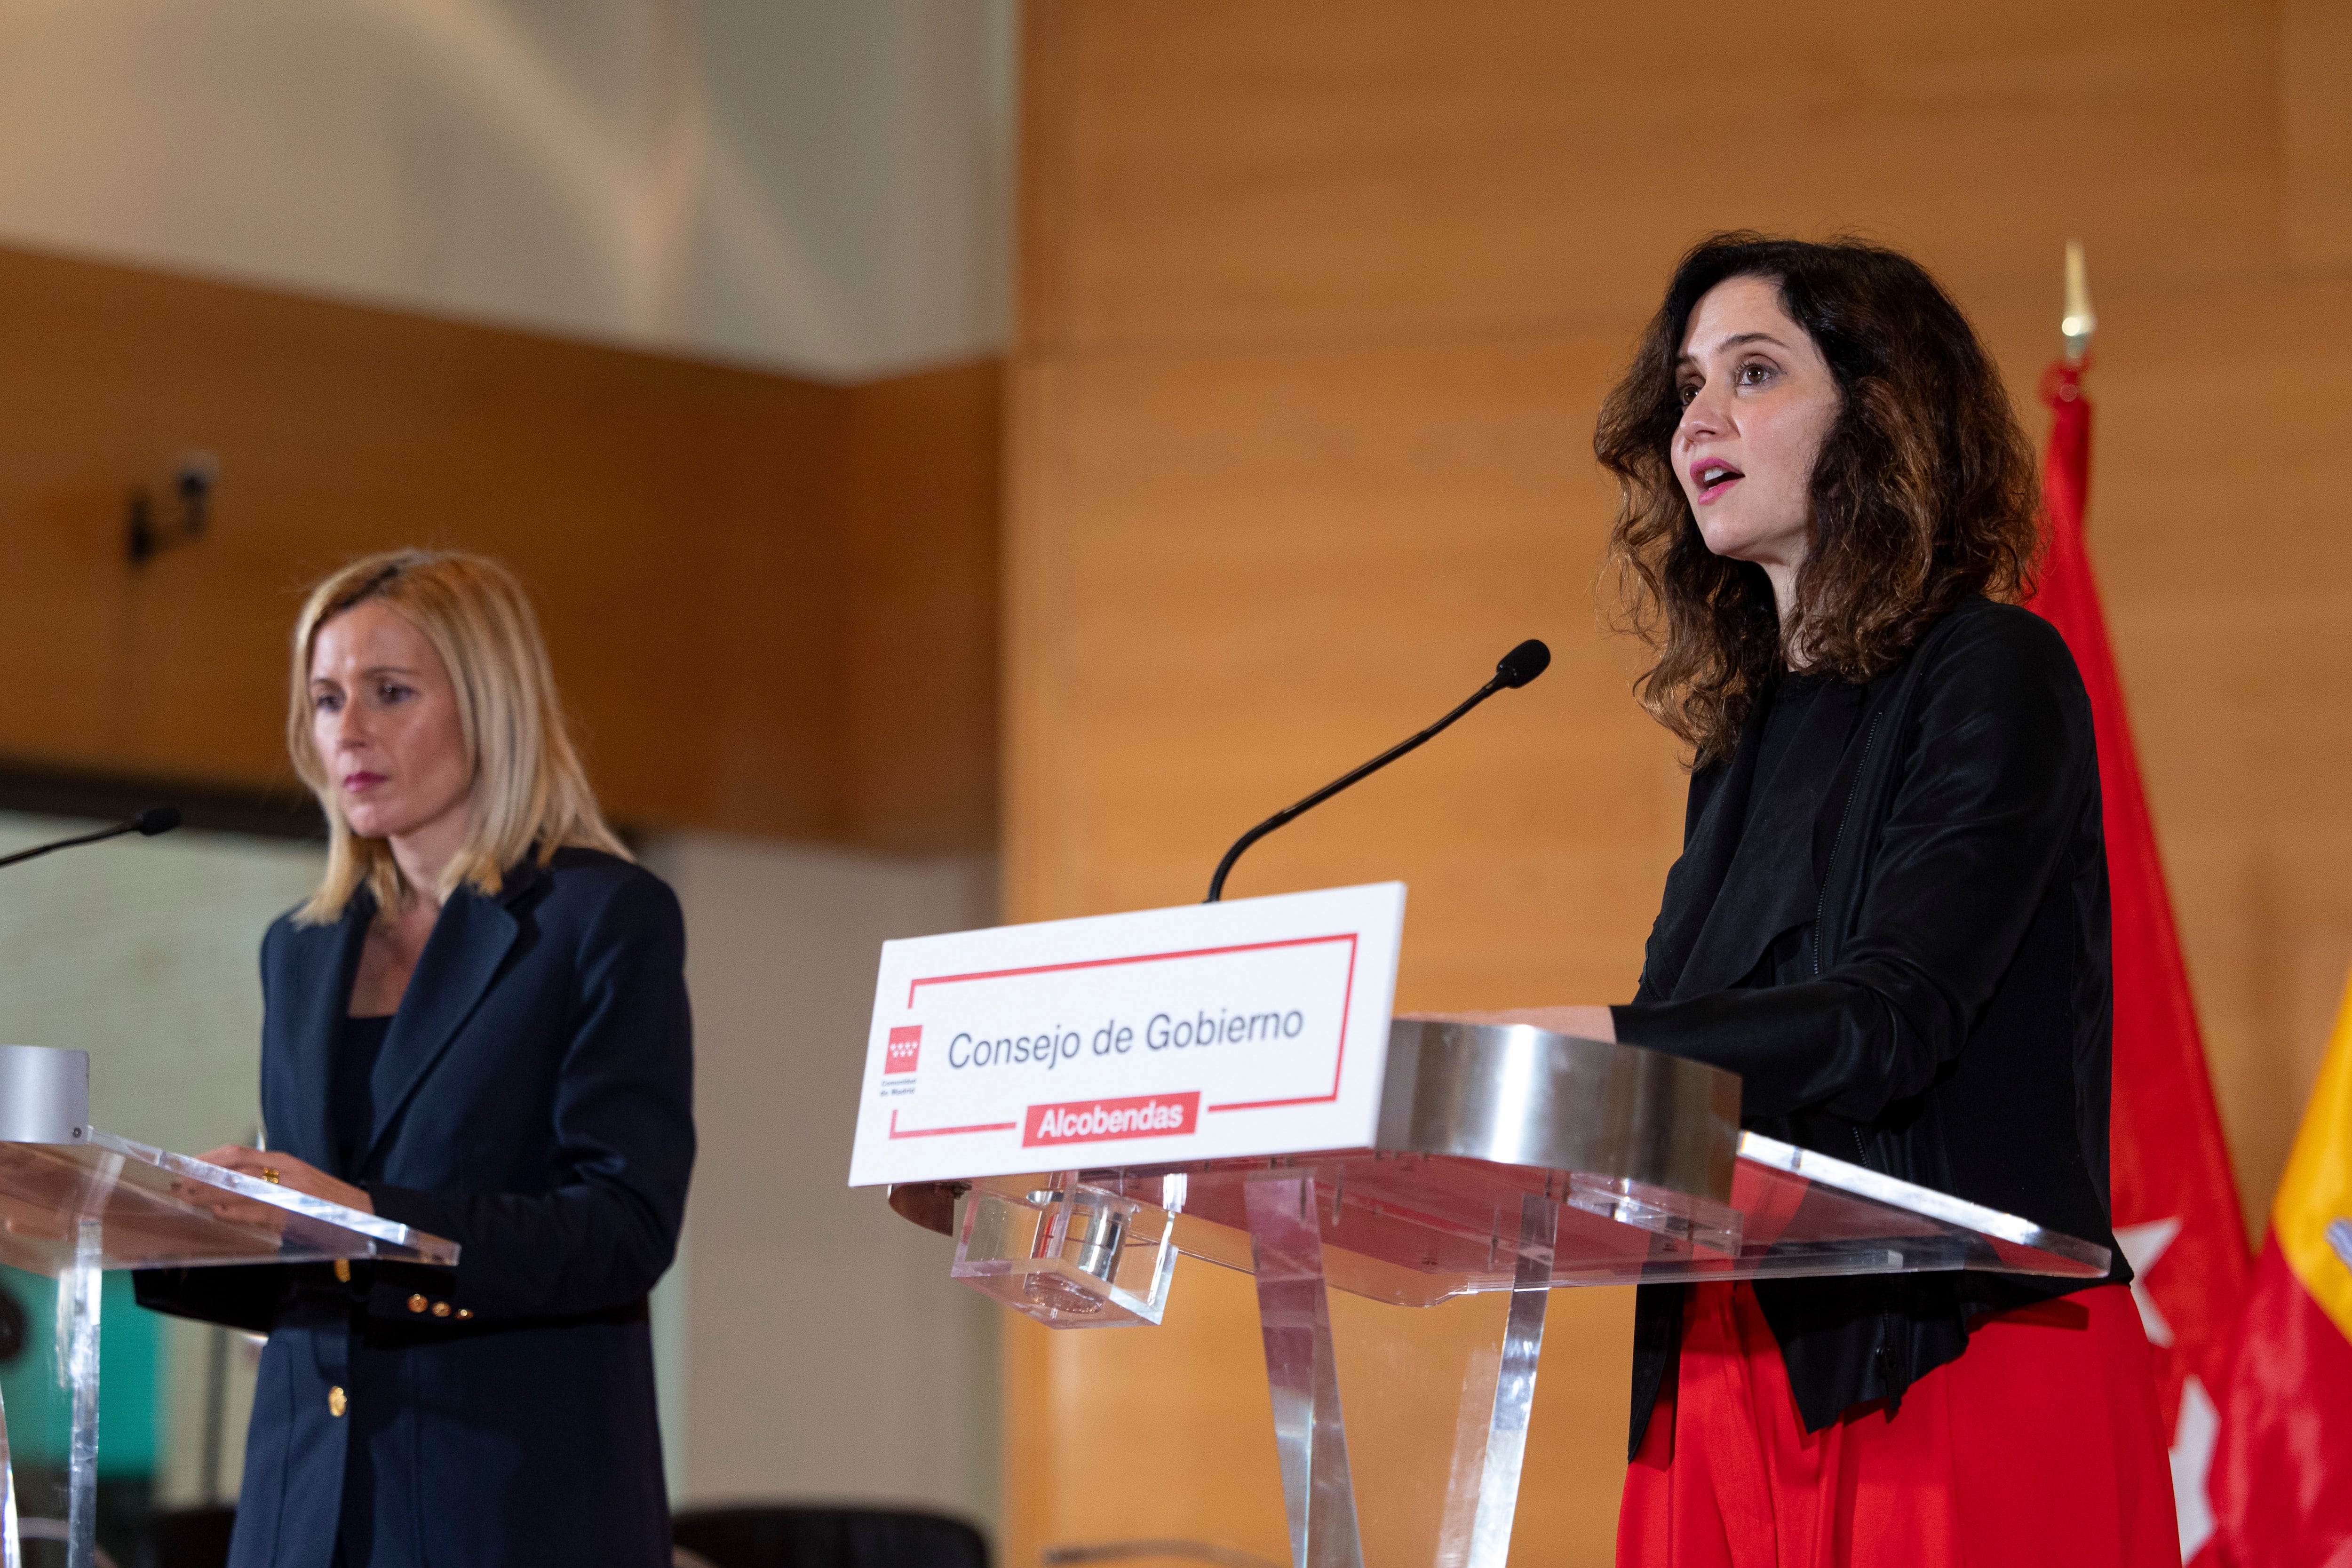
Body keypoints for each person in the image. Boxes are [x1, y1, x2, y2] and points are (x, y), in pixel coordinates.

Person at [1476, 235, 2177, 1565]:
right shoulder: (1736, 748)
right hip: (1722, 1358)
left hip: (1949, 1354)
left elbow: (1888, 1022)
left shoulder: (1997, 671)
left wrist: (1596, 1043)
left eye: (1755, 372)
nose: (1699, 420)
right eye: (1687, 386)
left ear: (1882, 412)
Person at [135, 549, 695, 1568]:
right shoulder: (299, 947)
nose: (348, 730)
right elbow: (320, 1257)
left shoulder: (601, 918)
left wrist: (346, 1213)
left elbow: (623, 1228)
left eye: (390, 693)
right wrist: (182, 1216)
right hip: (302, 1502)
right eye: (325, 698)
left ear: (489, 707)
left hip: (506, 1496)